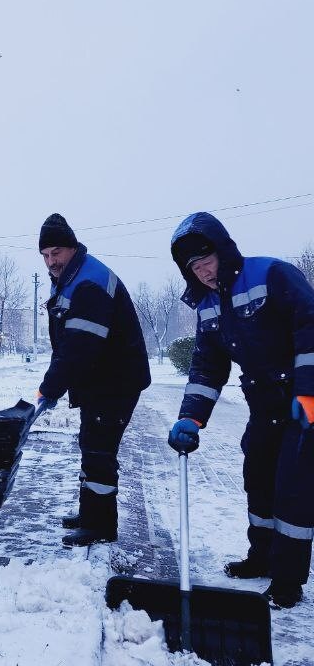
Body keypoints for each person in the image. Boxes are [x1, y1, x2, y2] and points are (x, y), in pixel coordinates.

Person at [167, 212, 314, 609]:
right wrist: (190, 417)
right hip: (264, 405)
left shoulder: (272, 275)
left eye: (206, 261)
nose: (203, 272)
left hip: (303, 404)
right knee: (259, 478)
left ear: (223, 251)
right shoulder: (208, 305)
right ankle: (261, 558)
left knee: (293, 491)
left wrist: (308, 392)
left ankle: (288, 580)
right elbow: (207, 366)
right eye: (194, 268)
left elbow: (310, 326)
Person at [36, 214, 152, 547]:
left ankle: (101, 526)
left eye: (56, 252)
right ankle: (91, 514)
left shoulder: (89, 283)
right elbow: (72, 346)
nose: (51, 260)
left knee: (99, 450)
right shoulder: (73, 279)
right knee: (91, 444)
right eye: (45, 255)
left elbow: (79, 348)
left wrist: (50, 388)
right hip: (101, 380)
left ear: (72, 248)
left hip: (115, 381)